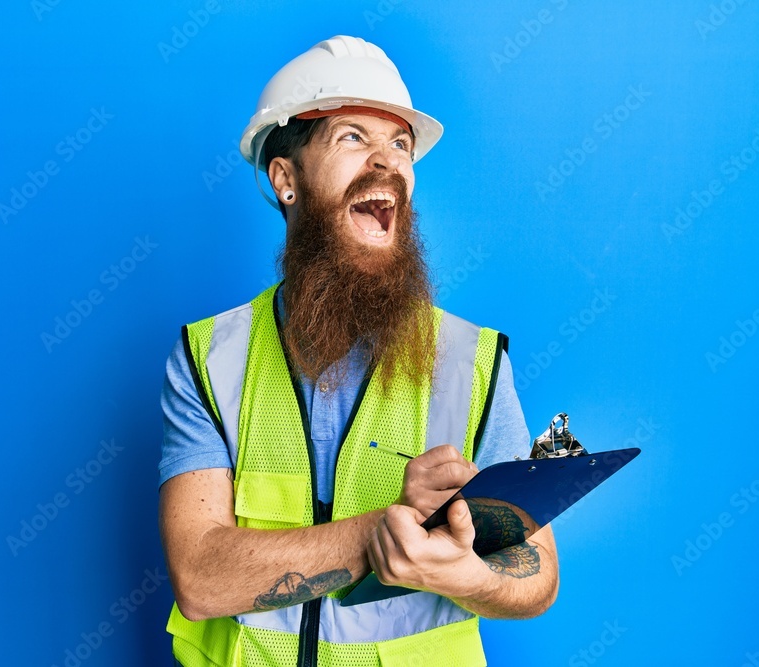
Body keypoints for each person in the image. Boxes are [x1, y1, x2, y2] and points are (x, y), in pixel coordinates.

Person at [158, 35, 559, 666]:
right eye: (352, 137)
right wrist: (384, 531)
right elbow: (202, 581)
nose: (389, 162)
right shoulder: (210, 357)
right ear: (285, 179)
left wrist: (460, 572)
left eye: (400, 144)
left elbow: (536, 577)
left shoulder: (472, 361)